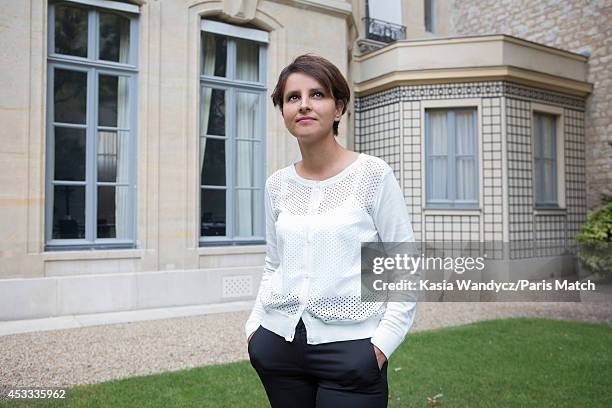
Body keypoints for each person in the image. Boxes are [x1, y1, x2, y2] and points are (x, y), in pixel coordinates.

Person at [245, 54, 416, 408]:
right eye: (293, 97)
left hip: (352, 352)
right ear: (284, 112)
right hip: (279, 347)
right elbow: (273, 264)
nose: (304, 105)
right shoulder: (277, 185)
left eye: (317, 94)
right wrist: (254, 329)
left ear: (338, 108)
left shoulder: (373, 175)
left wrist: (381, 345)